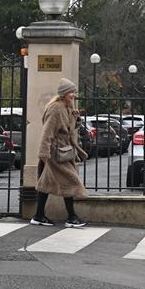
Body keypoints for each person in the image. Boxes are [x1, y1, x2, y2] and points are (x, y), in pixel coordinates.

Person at [31, 78, 88, 228]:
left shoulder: (67, 107)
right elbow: (47, 132)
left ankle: (39, 215)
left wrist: (76, 118)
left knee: (47, 183)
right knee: (70, 181)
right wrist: (44, 153)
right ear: (63, 94)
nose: (74, 95)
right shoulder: (55, 109)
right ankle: (72, 217)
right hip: (56, 153)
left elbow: (69, 129)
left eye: (74, 92)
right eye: (71, 92)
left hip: (64, 151)